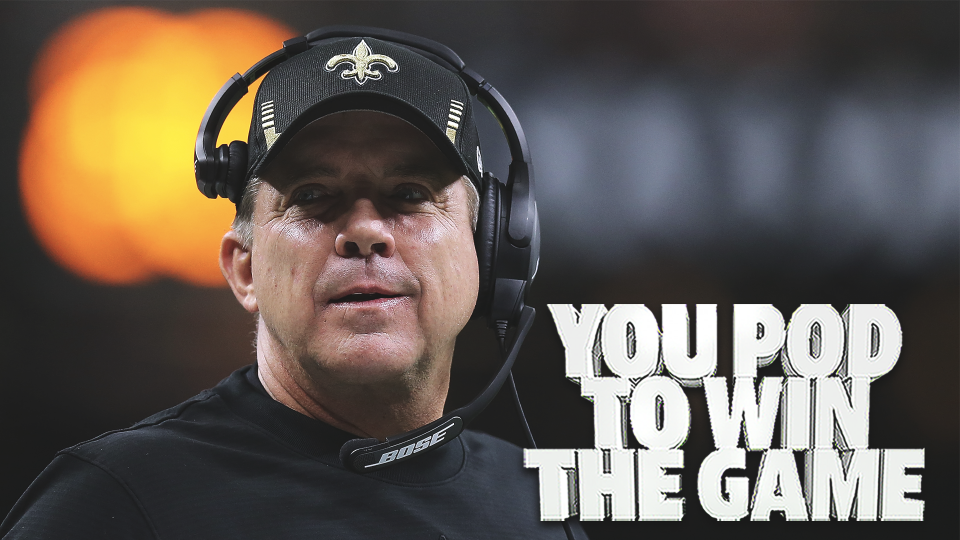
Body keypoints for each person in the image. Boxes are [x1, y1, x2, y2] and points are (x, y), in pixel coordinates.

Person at [1, 28, 586, 539]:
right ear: (244, 269)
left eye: (410, 194)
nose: (363, 231)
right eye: (312, 197)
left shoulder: (538, 505)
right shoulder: (116, 500)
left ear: (490, 251)